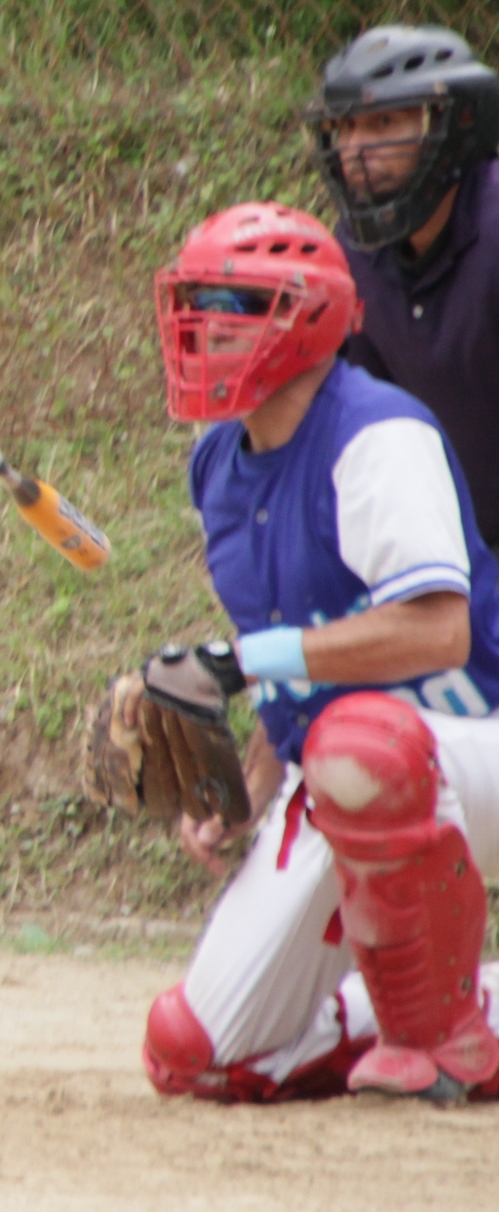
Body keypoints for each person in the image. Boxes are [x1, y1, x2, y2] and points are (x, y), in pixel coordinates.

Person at [131, 201, 499, 1106]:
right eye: (194, 302)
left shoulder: (376, 432)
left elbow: (436, 629)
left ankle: (446, 1038)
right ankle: (437, 1007)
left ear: (303, 322)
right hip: (357, 772)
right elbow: (303, 652)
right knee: (196, 1052)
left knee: (358, 745)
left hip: (473, 735)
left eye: (230, 304)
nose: (200, 328)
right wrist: (247, 792)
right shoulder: (218, 460)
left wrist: (244, 658)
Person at [305, 24, 499, 546]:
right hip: (442, 548)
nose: (354, 150)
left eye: (382, 122)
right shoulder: (352, 253)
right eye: (344, 128)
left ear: (458, 120)